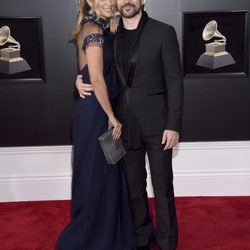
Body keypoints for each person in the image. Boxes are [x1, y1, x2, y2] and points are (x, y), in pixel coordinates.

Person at [76, 0, 184, 249]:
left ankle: (167, 242)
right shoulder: (110, 34)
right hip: (122, 125)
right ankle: (142, 237)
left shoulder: (163, 32)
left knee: (162, 186)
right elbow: (96, 68)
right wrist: (78, 79)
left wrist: (173, 124)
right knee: (134, 187)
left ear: (142, 0)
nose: (127, 1)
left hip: (158, 126)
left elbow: (175, 82)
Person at [55, 0, 136, 249]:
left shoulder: (101, 28)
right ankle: (92, 237)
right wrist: (111, 117)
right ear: (89, 1)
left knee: (106, 174)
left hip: (96, 109)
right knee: (96, 176)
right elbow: (98, 79)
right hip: (96, 113)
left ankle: (110, 233)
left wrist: (78, 80)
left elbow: (88, 71)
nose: (107, 2)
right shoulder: (93, 30)